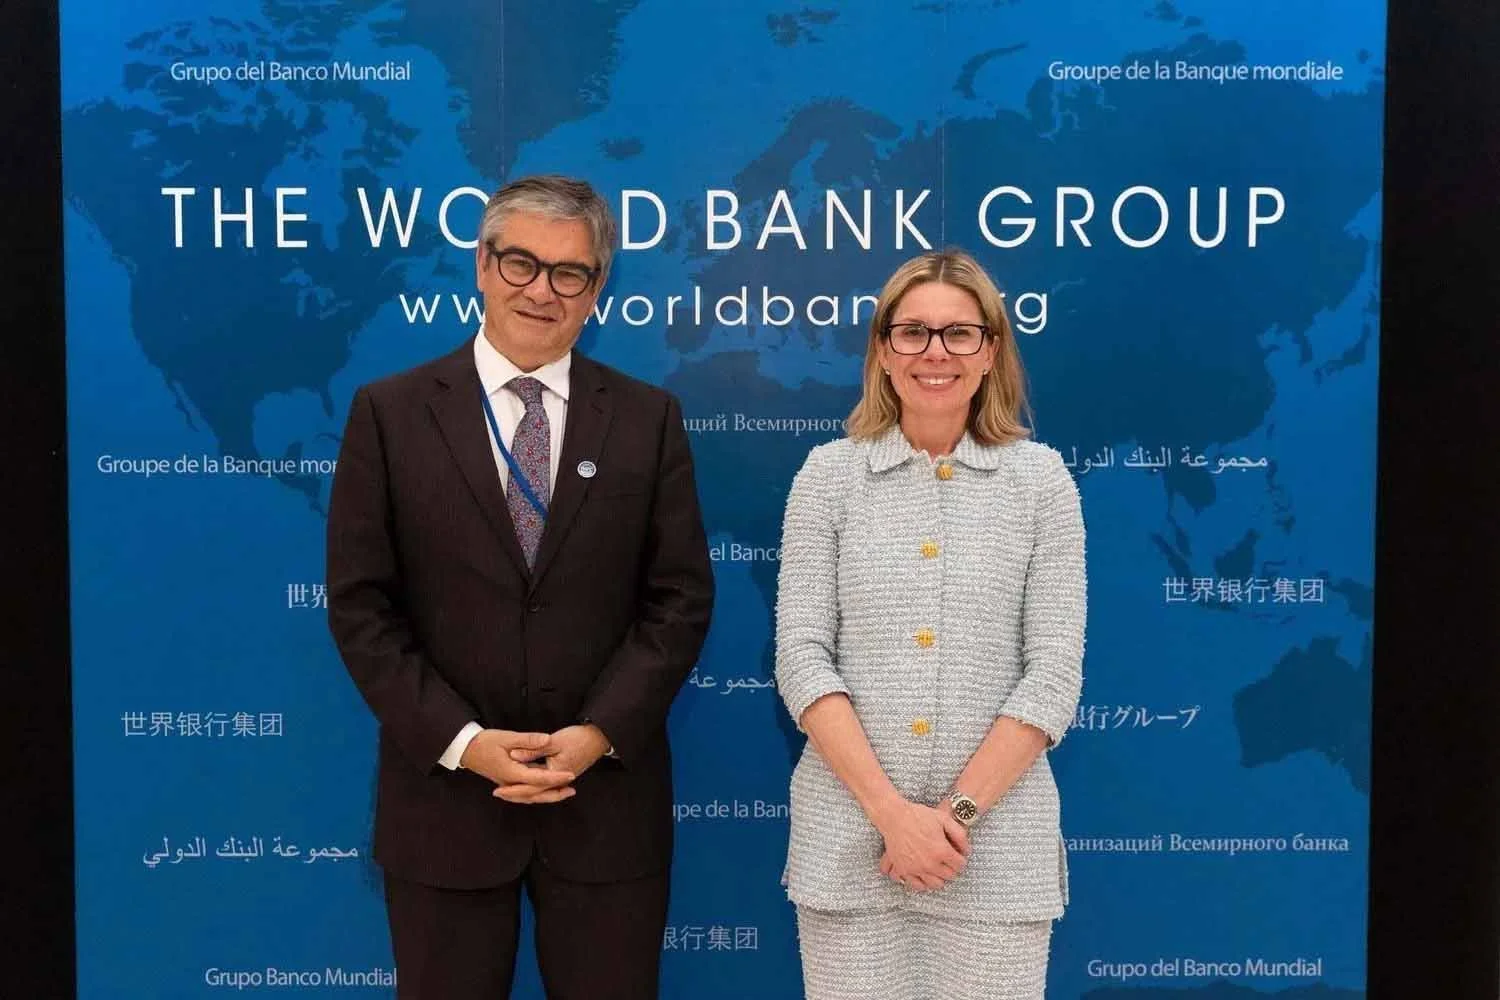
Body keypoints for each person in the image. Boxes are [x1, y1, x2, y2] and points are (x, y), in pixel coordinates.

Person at [326, 174, 714, 999]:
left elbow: (679, 600)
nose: (542, 291)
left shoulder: (648, 419)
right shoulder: (390, 414)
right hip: (445, 809)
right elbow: (362, 608)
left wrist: (599, 732)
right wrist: (465, 742)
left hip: (605, 808)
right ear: (482, 264)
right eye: (521, 264)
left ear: (596, 289)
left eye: (569, 273)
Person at [773, 248, 1087, 999]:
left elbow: (1052, 677)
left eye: (959, 333)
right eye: (912, 332)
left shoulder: (1041, 482)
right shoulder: (827, 476)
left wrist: (954, 818)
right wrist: (893, 817)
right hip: (849, 850)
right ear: (883, 350)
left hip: (996, 860)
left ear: (991, 351)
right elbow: (802, 659)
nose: (935, 353)